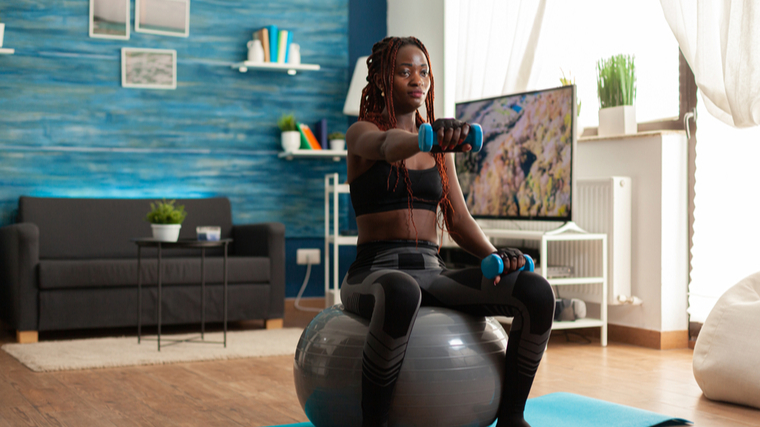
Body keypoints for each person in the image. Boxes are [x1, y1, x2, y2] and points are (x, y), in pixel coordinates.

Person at [342, 36, 555, 427]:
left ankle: (512, 417)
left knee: (536, 291)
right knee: (401, 290)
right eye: (404, 71)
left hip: (431, 271)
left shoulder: (437, 146)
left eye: (423, 71)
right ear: (383, 80)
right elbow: (387, 145)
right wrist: (427, 138)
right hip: (373, 272)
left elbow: (458, 220)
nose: (416, 79)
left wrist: (495, 258)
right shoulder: (361, 133)